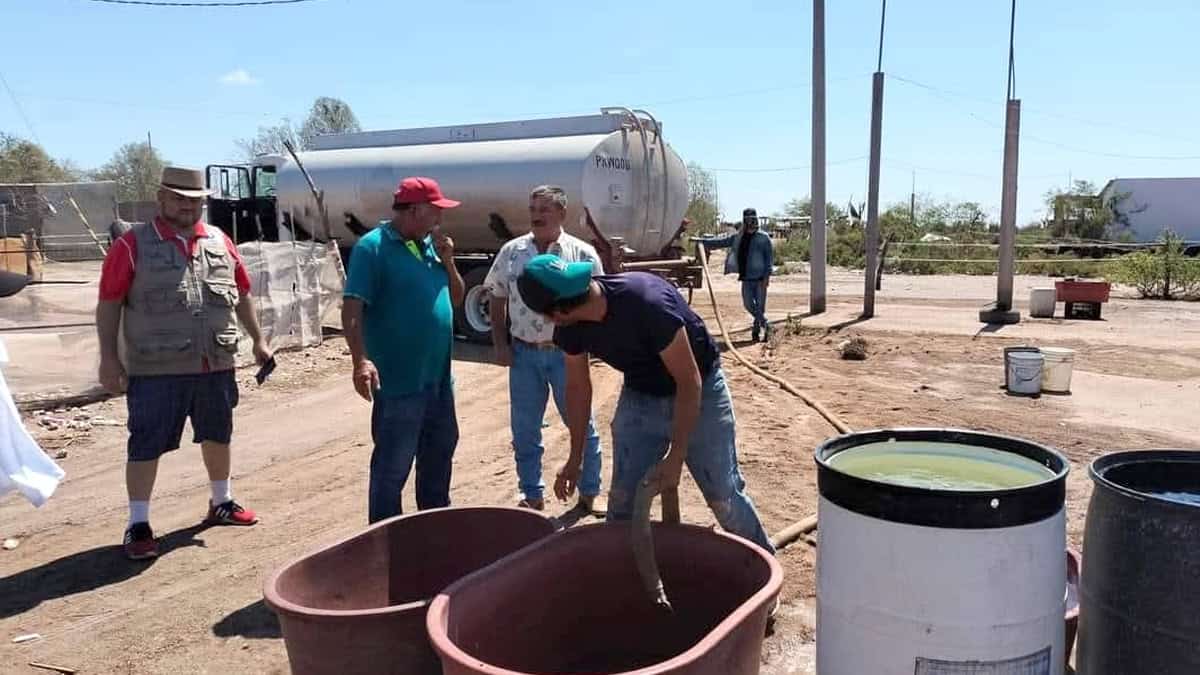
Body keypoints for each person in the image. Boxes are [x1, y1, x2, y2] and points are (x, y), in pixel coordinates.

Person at [516, 254, 775, 553]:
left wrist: (676, 456)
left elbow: (689, 382)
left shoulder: (646, 303)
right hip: (640, 395)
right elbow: (578, 387)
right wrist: (576, 458)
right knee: (623, 504)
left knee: (723, 497)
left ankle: (764, 572)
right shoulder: (569, 328)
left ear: (556, 312)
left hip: (700, 393)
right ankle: (624, 578)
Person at [95, 166, 274, 561]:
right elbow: (109, 302)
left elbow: (241, 293)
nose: (187, 206)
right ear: (160, 199)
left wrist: (259, 340)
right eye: (178, 198)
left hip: (216, 364)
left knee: (218, 434)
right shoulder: (132, 244)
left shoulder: (220, 240)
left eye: (195, 200)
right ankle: (138, 523)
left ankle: (221, 501)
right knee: (146, 444)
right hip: (156, 368)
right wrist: (109, 359)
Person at [342, 177, 465, 523]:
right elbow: (352, 308)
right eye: (435, 211)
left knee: (439, 458)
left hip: (439, 383)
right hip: (398, 385)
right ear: (414, 210)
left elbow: (456, 298)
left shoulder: (430, 247)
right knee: (392, 469)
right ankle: (385, 541)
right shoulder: (373, 248)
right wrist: (360, 360)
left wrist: (450, 261)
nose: (440, 218)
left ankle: (435, 530)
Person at [483, 186, 604, 512]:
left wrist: (591, 345)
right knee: (524, 429)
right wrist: (500, 343)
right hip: (523, 354)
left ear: (562, 214)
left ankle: (589, 493)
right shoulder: (512, 251)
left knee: (581, 424)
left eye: (544, 209)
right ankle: (532, 495)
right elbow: (496, 295)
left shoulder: (581, 254)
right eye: (532, 207)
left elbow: (600, 301)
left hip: (568, 356)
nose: (536, 214)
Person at [695, 207, 775, 341]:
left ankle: (757, 331)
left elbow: (769, 259)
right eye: (747, 219)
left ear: (756, 219)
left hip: (761, 279)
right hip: (746, 279)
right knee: (748, 305)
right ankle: (767, 324)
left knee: (760, 307)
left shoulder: (763, 238)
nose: (750, 221)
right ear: (744, 220)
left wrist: (767, 277)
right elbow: (721, 242)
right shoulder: (739, 237)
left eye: (752, 218)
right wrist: (702, 242)